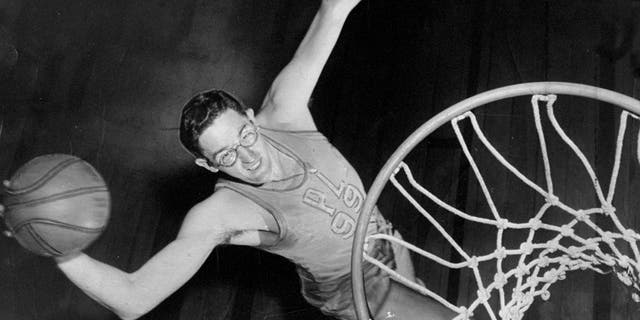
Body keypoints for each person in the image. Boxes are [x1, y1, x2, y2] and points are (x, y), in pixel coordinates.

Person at [1, 1, 456, 319]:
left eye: (245, 135)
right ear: (210, 167)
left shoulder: (287, 113)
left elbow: (332, 10)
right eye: (228, 156)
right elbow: (133, 300)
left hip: (387, 243)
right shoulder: (223, 213)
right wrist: (57, 249)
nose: (248, 155)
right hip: (355, 288)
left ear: (254, 119)